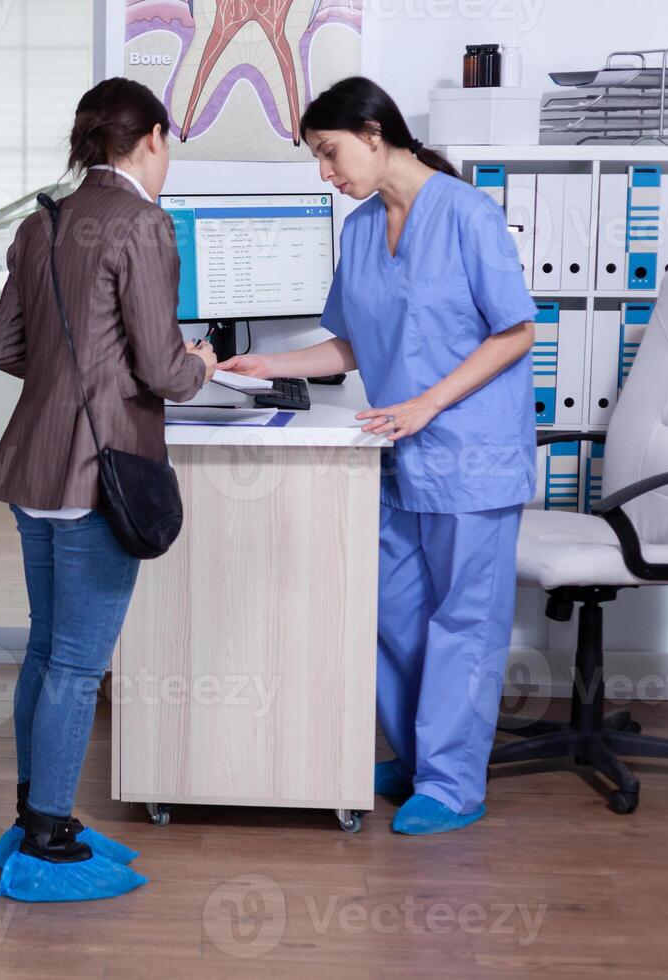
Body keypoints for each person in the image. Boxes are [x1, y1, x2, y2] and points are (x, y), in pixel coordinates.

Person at [219, 76, 538, 836]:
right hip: (395, 452)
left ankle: (454, 784)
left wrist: (430, 402)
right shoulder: (362, 229)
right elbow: (350, 343)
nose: (325, 174)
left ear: (372, 132)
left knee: (464, 618)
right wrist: (271, 366)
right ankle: (417, 754)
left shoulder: (467, 214)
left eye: (329, 154)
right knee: (394, 612)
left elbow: (516, 330)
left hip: (470, 452)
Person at [0, 77, 217, 902]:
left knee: (47, 651)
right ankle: (46, 845)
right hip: (100, 473)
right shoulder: (143, 224)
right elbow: (160, 368)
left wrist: (71, 371)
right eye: (168, 143)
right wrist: (201, 365)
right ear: (151, 136)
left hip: (34, 467)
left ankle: (31, 819)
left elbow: (5, 348)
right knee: (78, 666)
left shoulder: (39, 221)